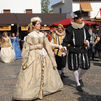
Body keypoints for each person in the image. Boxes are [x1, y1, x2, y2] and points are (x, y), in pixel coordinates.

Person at [13, 17, 63, 101]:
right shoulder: (30, 35)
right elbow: (26, 48)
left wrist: (58, 46)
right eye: (38, 24)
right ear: (33, 25)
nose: (39, 25)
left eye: (40, 24)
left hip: (43, 55)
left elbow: (48, 45)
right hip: (34, 56)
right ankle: (33, 92)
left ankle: (44, 90)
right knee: (33, 74)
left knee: (47, 72)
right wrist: (36, 47)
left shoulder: (42, 34)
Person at [61, 10, 90, 92]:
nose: (82, 19)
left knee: (86, 66)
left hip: (83, 49)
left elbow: (88, 37)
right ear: (75, 19)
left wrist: (87, 42)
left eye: (82, 18)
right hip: (73, 50)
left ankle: (80, 78)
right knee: (75, 67)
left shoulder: (85, 28)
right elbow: (66, 40)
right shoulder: (70, 29)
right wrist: (64, 47)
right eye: (80, 18)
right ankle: (78, 84)